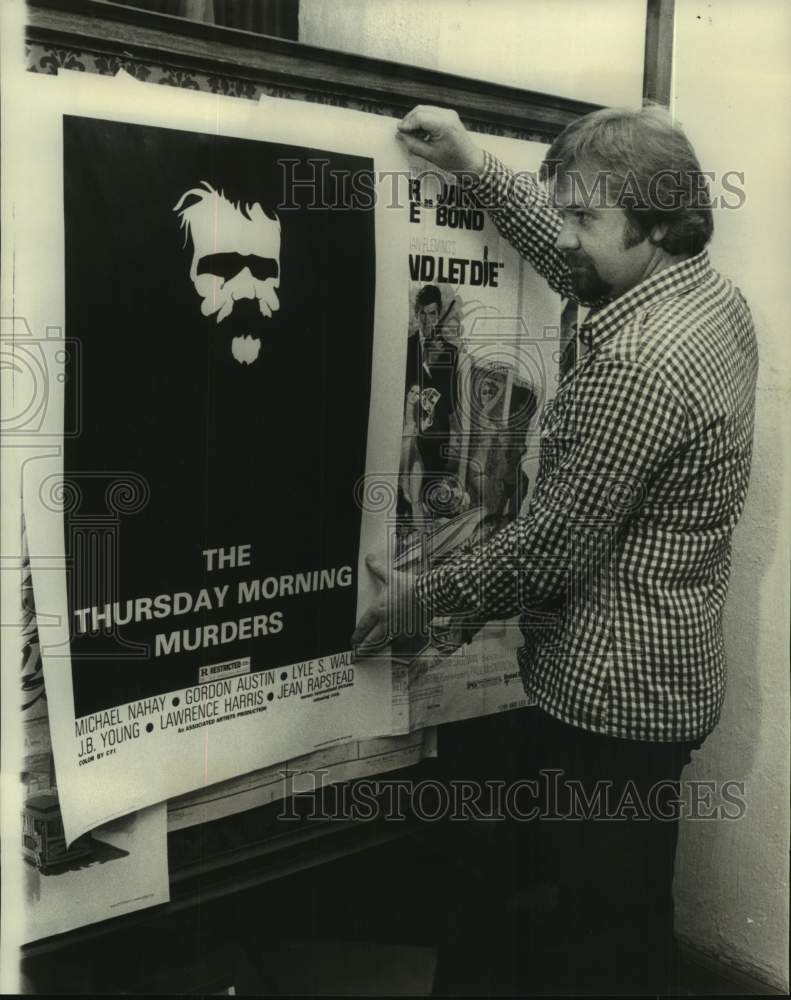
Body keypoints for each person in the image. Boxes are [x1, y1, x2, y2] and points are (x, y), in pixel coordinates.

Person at [353, 105, 758, 994]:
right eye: (564, 212)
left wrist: (418, 600)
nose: (565, 235)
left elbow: (546, 556)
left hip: (610, 701)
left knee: (597, 934)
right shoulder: (695, 290)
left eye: (583, 218)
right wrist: (471, 162)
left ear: (651, 225)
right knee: (619, 908)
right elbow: (570, 257)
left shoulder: (639, 363)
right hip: (661, 677)